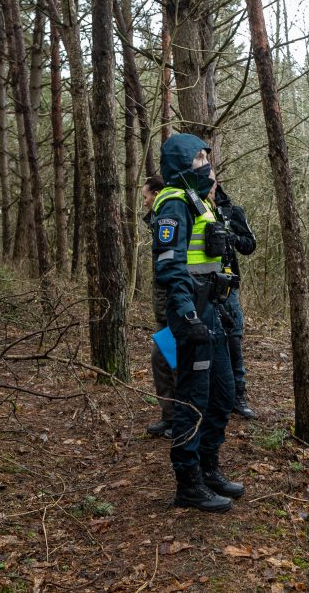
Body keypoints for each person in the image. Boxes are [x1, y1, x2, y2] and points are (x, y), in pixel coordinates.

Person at [151, 133, 242, 513]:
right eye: (199, 158)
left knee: (223, 393)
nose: (207, 163)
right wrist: (187, 315)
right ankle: (188, 482)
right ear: (182, 164)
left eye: (207, 156)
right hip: (192, 313)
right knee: (193, 398)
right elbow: (170, 266)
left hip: (214, 309)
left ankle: (209, 467)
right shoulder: (172, 204)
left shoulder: (198, 201)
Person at [214, 185, 258, 419]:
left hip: (228, 286)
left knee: (233, 340)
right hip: (197, 285)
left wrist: (230, 237)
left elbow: (250, 245)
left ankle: (238, 397)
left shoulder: (231, 212)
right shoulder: (189, 207)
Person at [142, 175, 175, 440]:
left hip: (174, 308)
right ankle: (170, 417)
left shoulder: (171, 219)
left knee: (170, 361)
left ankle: (181, 419)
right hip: (163, 310)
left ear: (157, 193)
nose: (144, 204)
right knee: (160, 360)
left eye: (146, 197)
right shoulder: (158, 221)